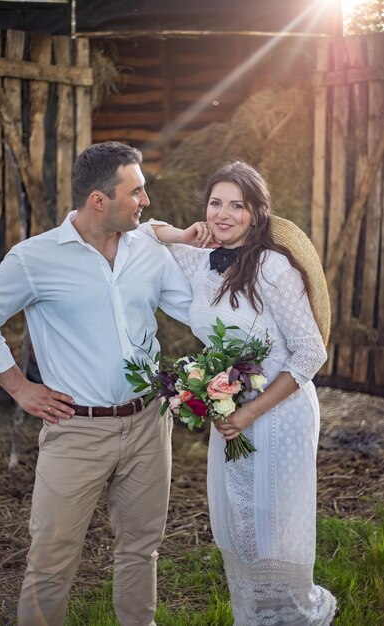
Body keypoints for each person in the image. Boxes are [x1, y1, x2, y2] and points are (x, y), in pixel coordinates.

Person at [0, 142, 193, 626]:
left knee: (141, 549)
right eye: (136, 192)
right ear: (98, 200)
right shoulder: (35, 258)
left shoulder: (148, 248)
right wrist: (19, 388)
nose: (146, 201)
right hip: (76, 431)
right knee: (50, 562)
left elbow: (193, 309)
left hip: (150, 424)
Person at [141, 161, 337, 625]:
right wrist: (184, 235)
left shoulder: (272, 267)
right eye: (216, 203)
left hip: (279, 408)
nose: (224, 215)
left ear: (256, 213)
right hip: (229, 409)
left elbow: (311, 354)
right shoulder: (197, 257)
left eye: (237, 205)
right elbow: (146, 230)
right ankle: (254, 614)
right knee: (240, 518)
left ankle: (297, 613)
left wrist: (249, 415)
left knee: (276, 523)